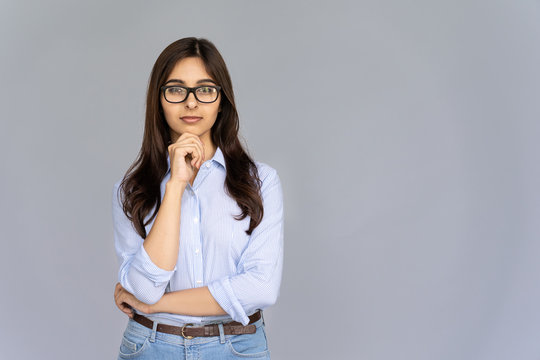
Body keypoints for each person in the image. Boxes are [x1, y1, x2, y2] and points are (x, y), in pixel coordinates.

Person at [111, 37, 284, 359]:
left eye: (205, 89)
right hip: (151, 347)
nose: (191, 103)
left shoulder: (260, 182)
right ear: (159, 101)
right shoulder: (132, 188)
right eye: (176, 89)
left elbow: (260, 288)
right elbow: (145, 286)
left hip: (238, 346)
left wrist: (154, 304)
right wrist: (174, 186)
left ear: (222, 101)